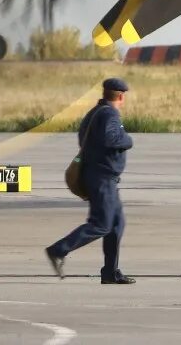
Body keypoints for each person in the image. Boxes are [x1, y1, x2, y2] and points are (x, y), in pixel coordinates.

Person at [45, 77, 135, 285]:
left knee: (116, 224)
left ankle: (110, 272)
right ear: (121, 96)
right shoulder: (110, 114)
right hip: (102, 178)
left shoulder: (94, 113)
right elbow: (111, 138)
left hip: (100, 176)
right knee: (101, 224)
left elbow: (83, 138)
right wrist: (128, 140)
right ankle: (59, 250)